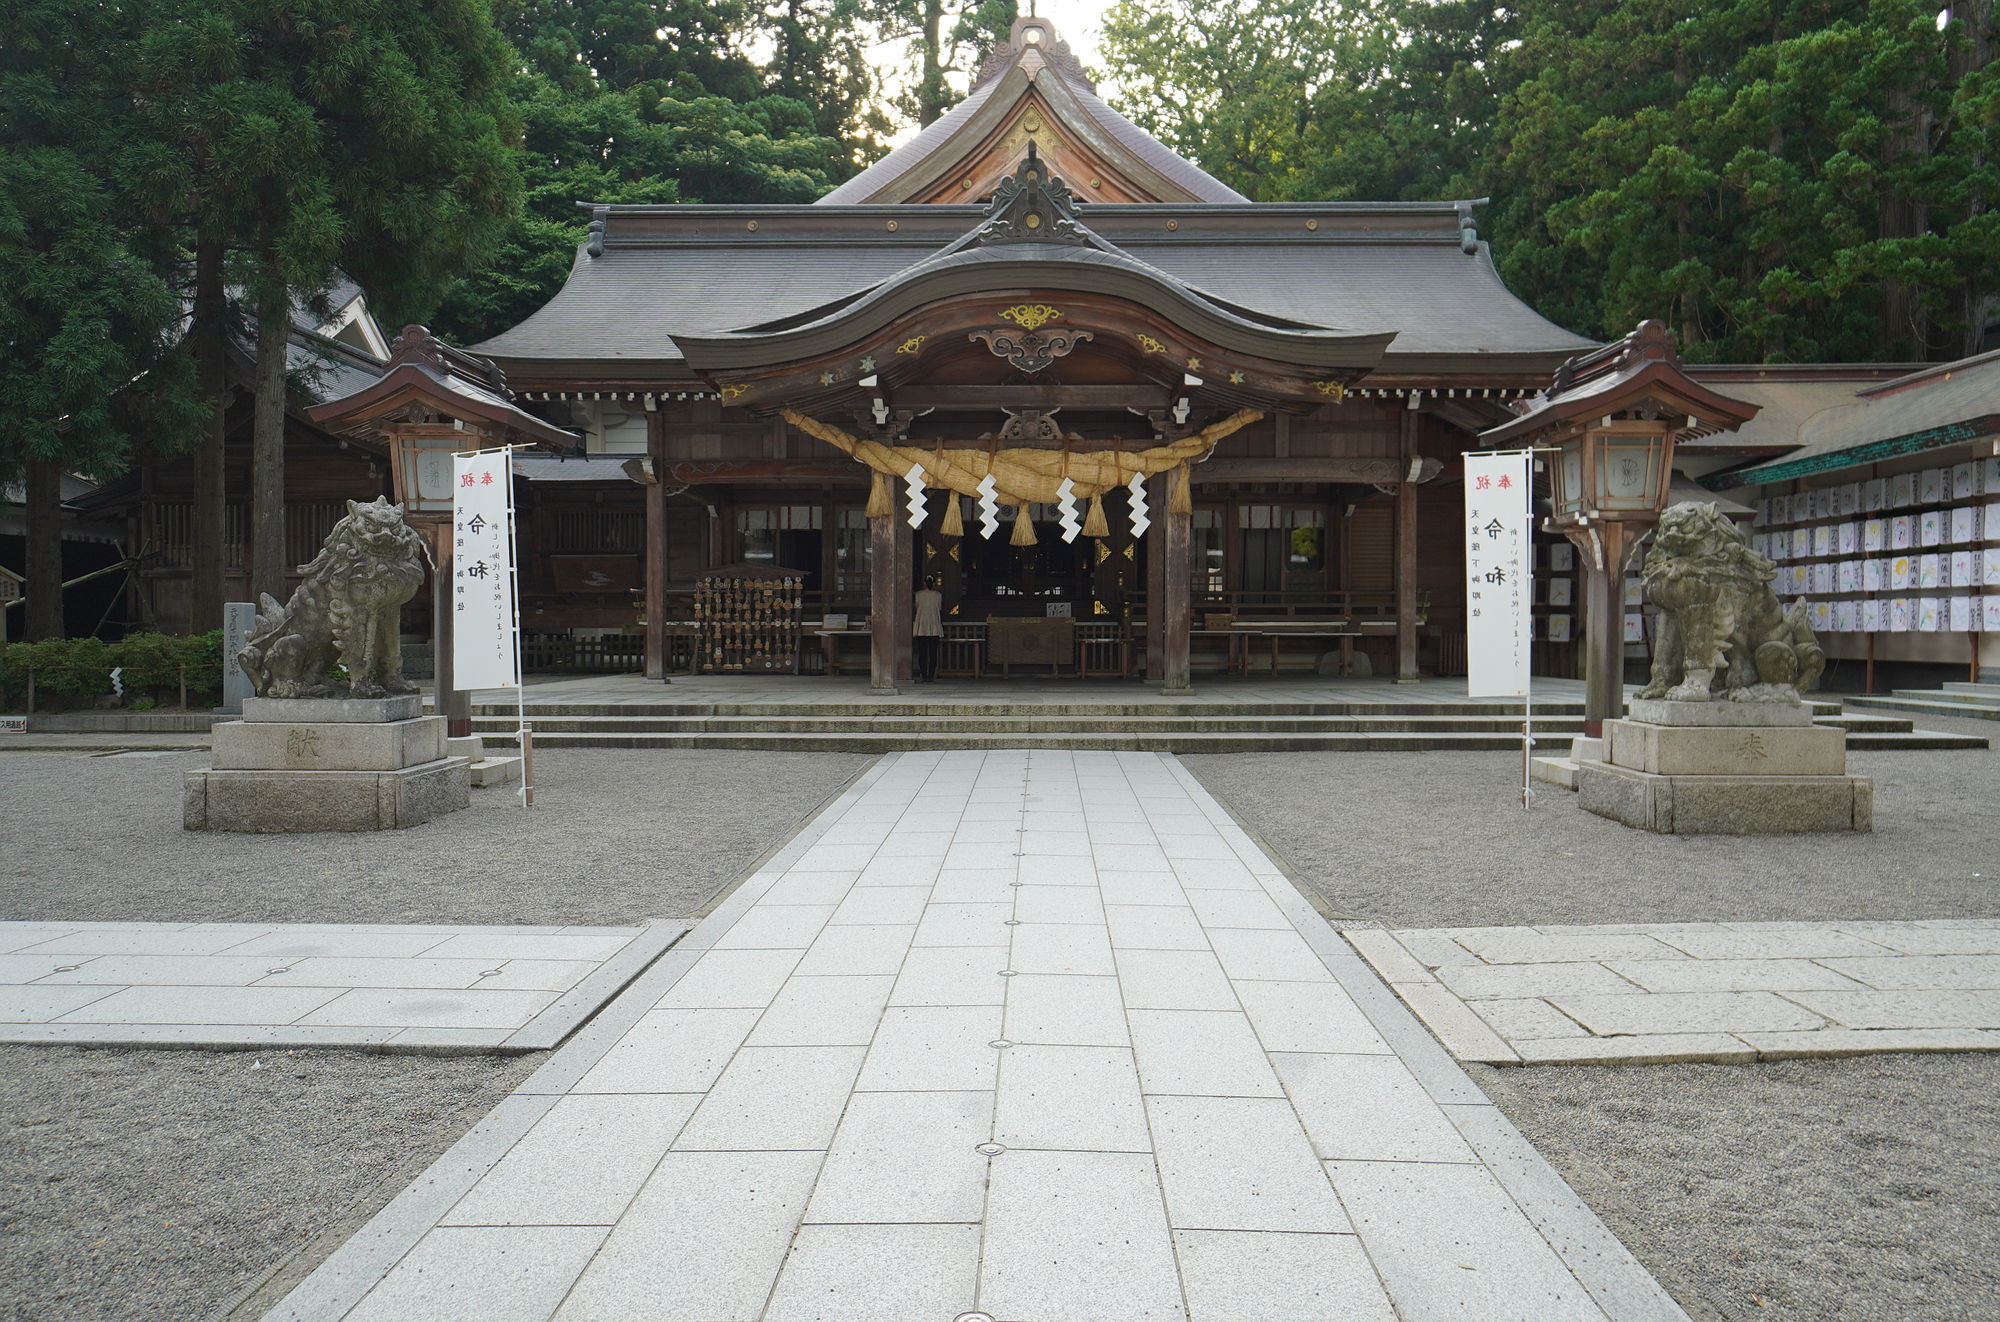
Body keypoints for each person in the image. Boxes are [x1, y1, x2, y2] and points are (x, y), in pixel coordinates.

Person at [913, 576, 945, 682]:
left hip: (921, 627)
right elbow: (940, 608)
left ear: (924, 583)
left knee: (922, 653)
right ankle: (930, 675)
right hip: (934, 626)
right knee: (933, 653)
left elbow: (916, 607)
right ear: (934, 584)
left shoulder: (918, 595)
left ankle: (924, 674)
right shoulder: (938, 595)